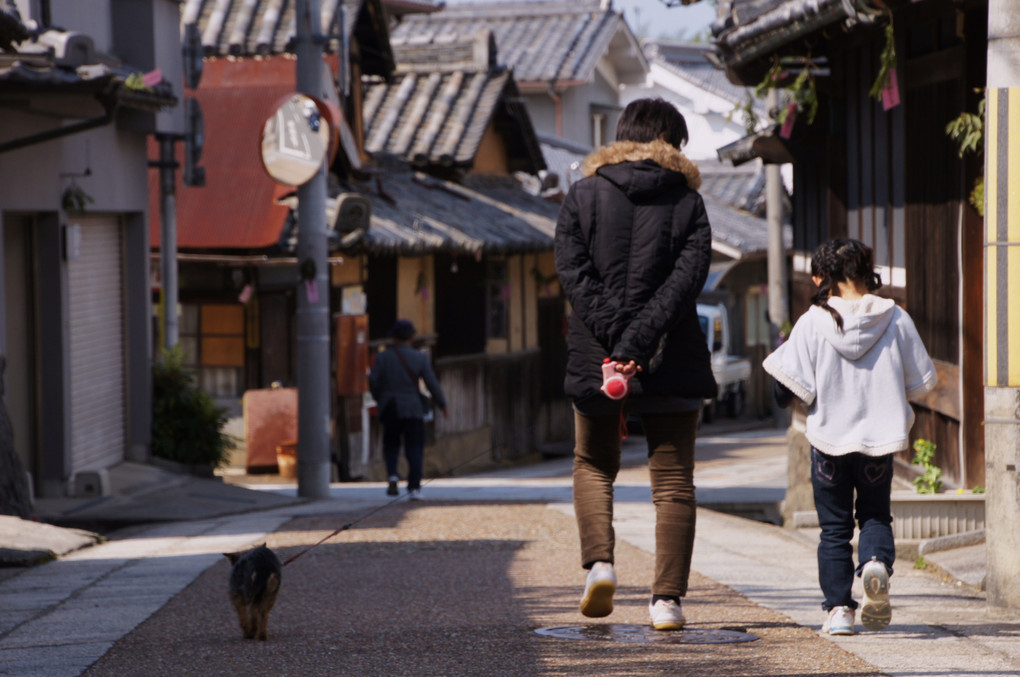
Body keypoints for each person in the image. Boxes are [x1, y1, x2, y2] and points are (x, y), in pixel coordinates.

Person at [553, 98, 717, 631]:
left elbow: (574, 276)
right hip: (670, 356)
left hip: (595, 357)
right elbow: (685, 283)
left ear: (621, 136)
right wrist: (639, 345)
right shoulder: (689, 204)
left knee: (594, 464)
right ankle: (666, 602)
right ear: (672, 142)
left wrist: (617, 347)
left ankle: (600, 565)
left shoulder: (581, 196)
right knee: (673, 484)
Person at [763, 238, 937, 636]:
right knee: (874, 514)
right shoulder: (895, 318)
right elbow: (923, 381)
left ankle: (840, 610)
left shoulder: (811, 321)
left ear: (824, 276)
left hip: (829, 441)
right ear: (866, 271)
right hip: (879, 440)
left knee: (835, 529)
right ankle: (875, 563)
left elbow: (782, 390)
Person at [369, 319, 447, 500]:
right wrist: (443, 404)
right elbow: (431, 383)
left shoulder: (383, 357)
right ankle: (414, 487)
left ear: (394, 338)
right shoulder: (420, 358)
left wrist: (380, 397)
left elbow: (373, 381)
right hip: (412, 406)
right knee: (414, 446)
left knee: (391, 443)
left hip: (390, 405)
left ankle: (393, 475)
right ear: (412, 337)